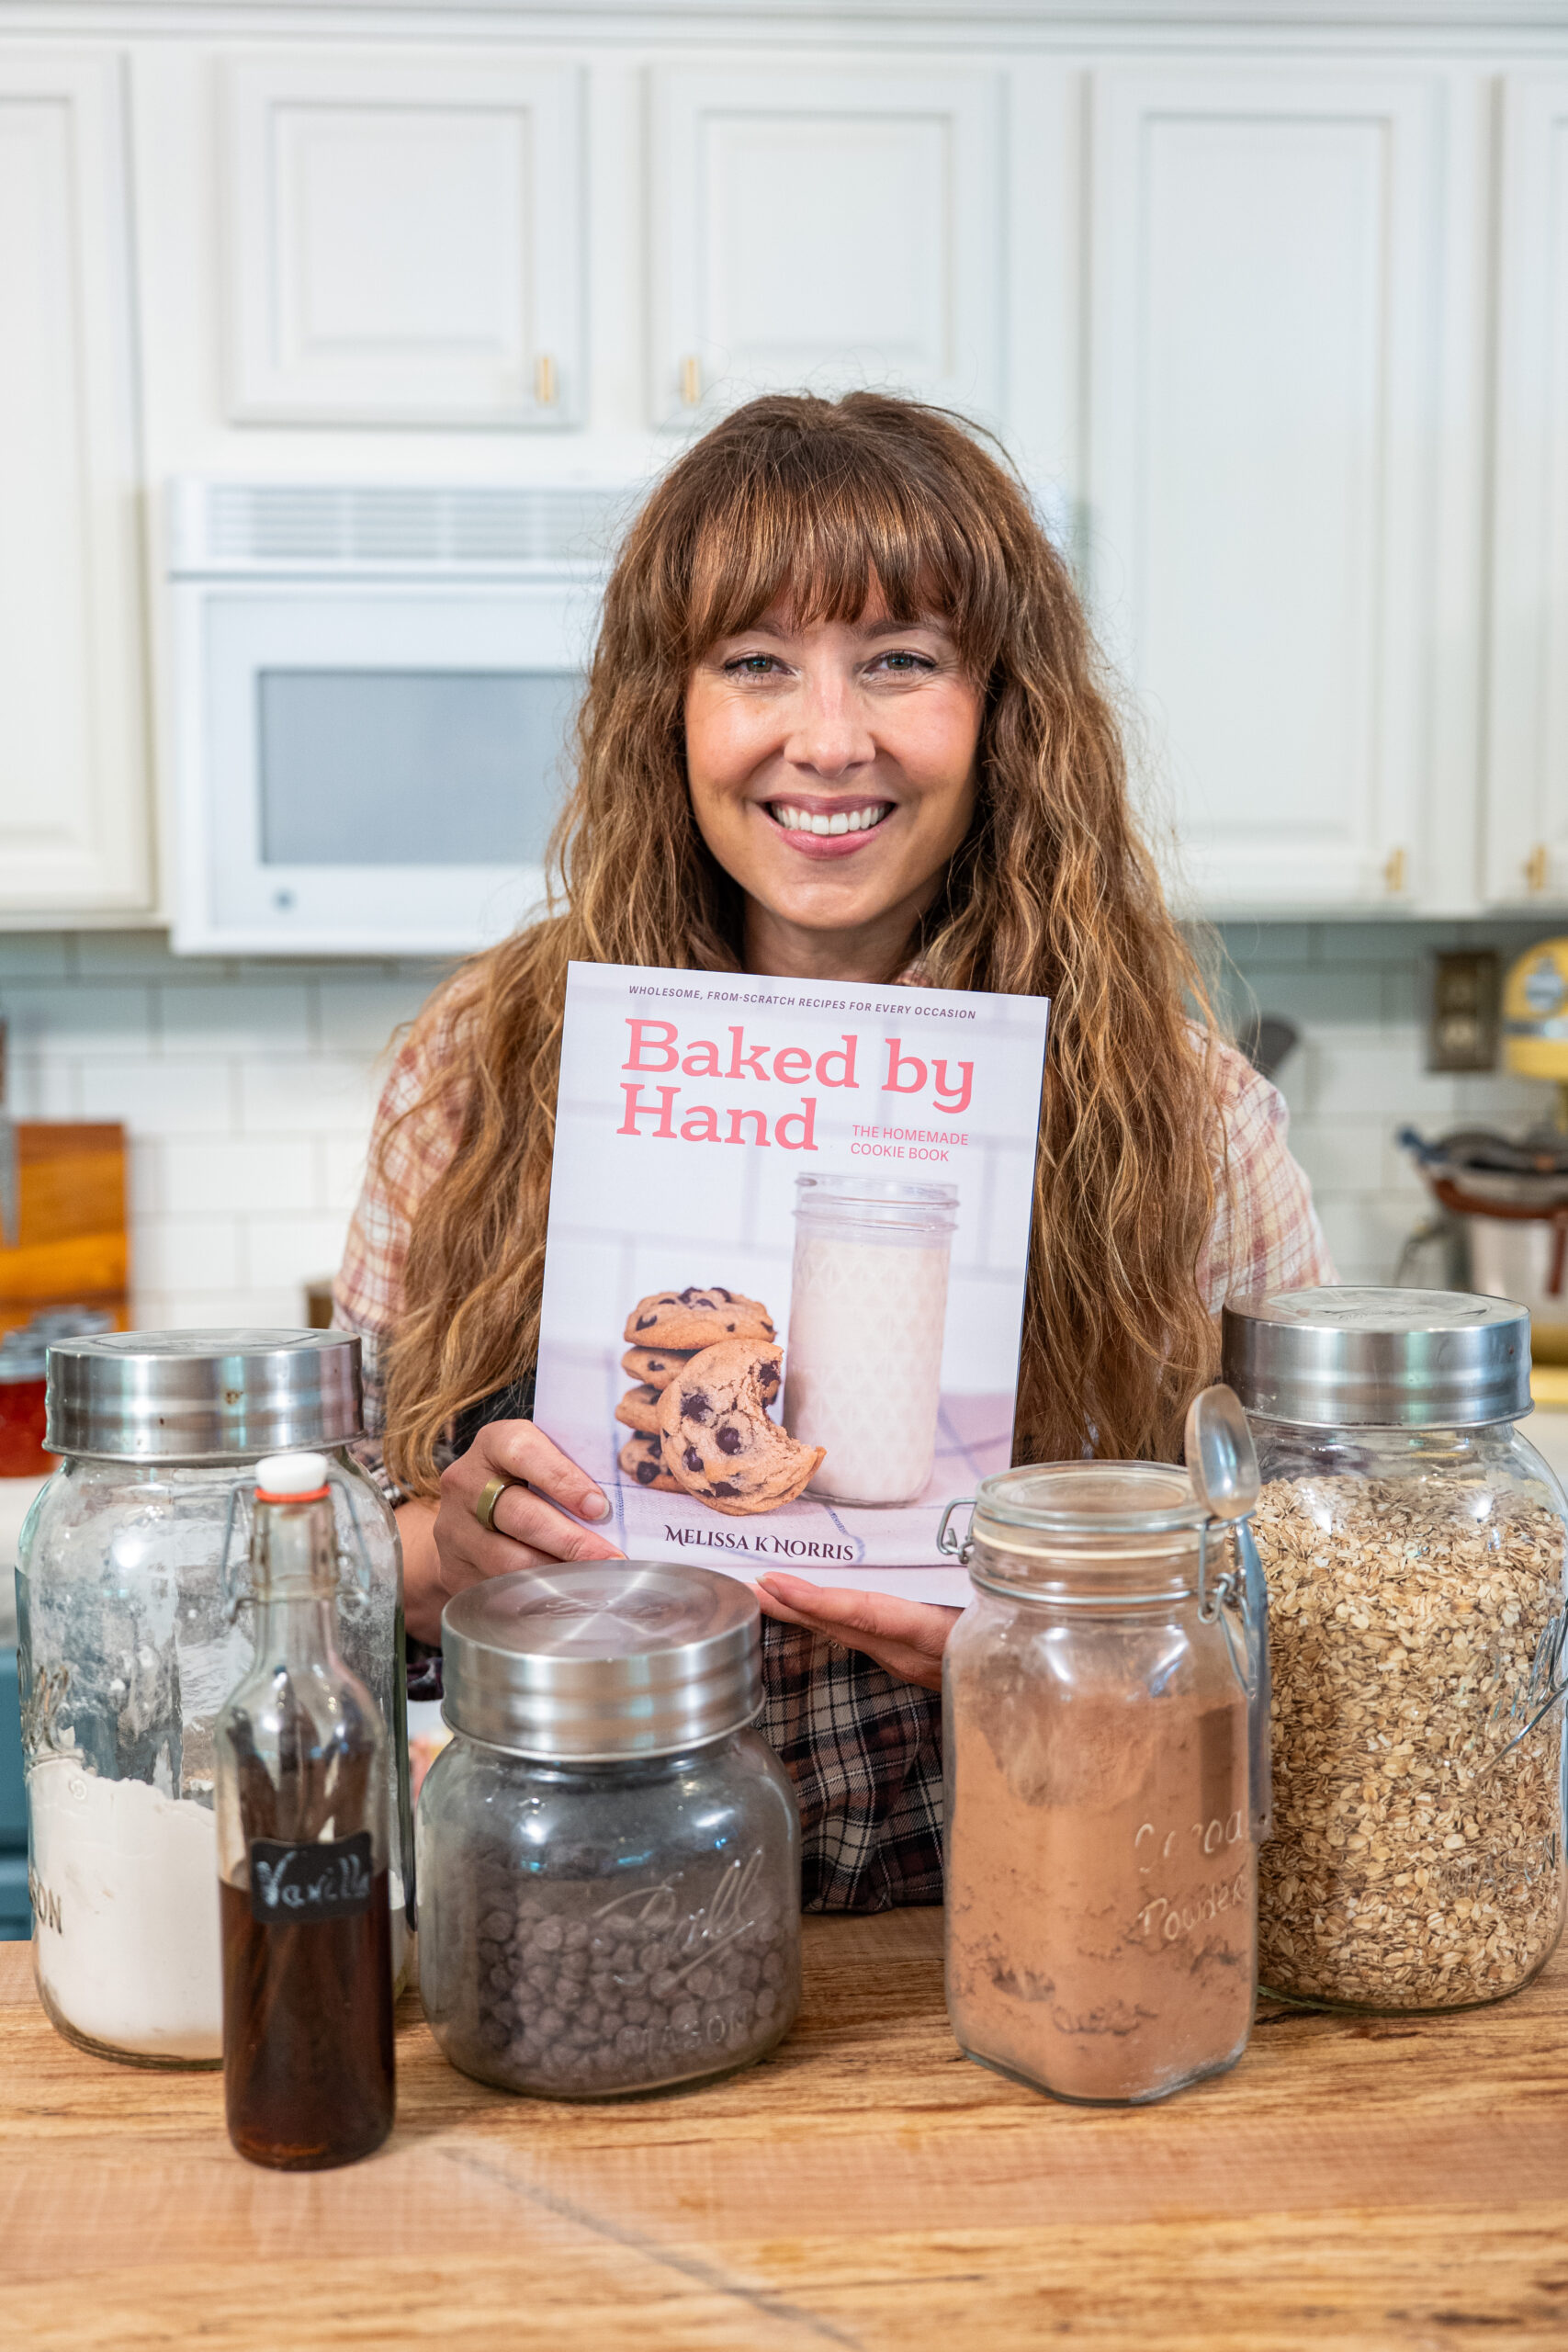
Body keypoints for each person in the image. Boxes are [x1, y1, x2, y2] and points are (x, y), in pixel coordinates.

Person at [334, 390, 1333, 1913]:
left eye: (900, 662)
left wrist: (1065, 1647)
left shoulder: (1183, 1115)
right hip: (593, 1938)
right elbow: (302, 1571)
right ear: (665, 709)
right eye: (755, 664)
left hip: (1032, 1935)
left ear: (1003, 709)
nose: (827, 739)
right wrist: (432, 1552)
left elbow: (1311, 1623)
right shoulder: (479, 1068)